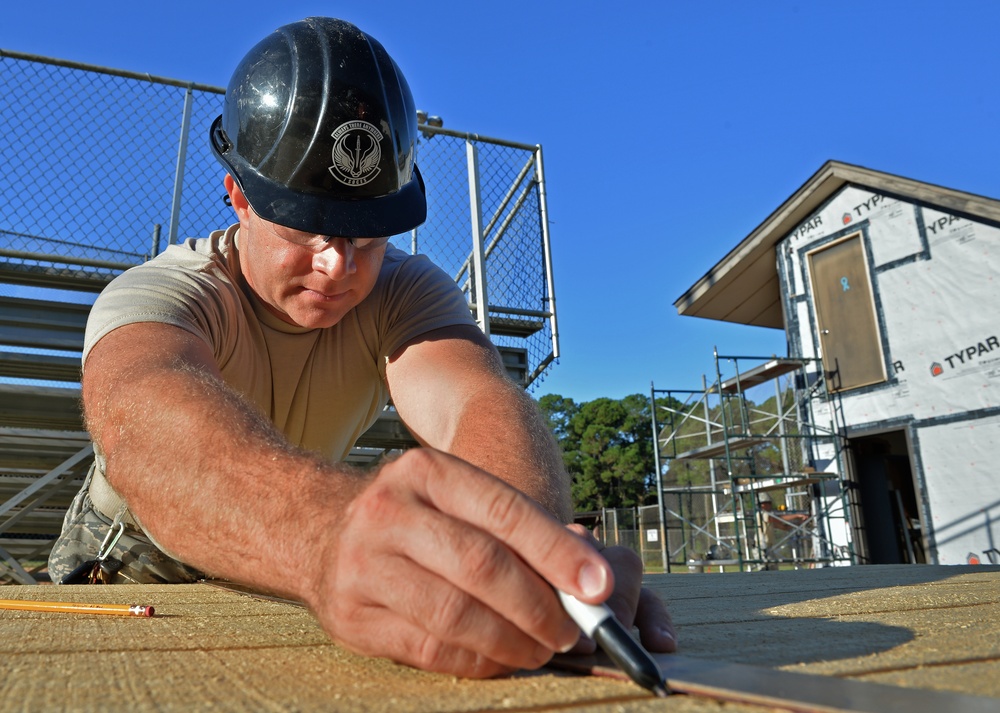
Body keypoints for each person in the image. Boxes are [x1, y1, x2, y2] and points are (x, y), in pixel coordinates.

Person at [48, 17, 676, 678]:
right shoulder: (168, 290)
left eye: (368, 236)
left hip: (289, 552)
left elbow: (476, 400)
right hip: (130, 568)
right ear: (238, 194)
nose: (339, 265)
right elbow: (146, 425)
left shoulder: (407, 293)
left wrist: (528, 549)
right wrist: (328, 532)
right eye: (310, 227)